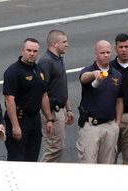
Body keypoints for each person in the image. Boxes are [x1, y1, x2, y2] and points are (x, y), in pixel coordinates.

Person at [77, 41, 123, 164]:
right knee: (89, 166)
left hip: (110, 126)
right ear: (96, 54)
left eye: (108, 52)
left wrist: (117, 124)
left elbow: (119, 100)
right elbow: (83, 78)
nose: (106, 55)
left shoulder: (117, 75)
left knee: (107, 167)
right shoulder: (89, 70)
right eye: (102, 53)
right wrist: (93, 74)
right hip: (91, 127)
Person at [38, 30, 75, 162]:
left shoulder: (58, 59)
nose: (67, 44)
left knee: (58, 148)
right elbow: (43, 92)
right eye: (64, 42)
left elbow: (60, 87)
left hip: (61, 110)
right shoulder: (46, 62)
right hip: (52, 112)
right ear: (54, 44)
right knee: (53, 149)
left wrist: (68, 109)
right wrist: (49, 118)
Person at [110, 33, 128, 164]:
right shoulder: (110, 67)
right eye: (121, 47)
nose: (124, 50)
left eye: (126, 46)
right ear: (115, 49)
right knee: (110, 157)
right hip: (112, 118)